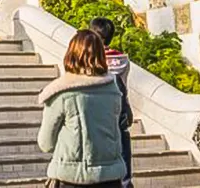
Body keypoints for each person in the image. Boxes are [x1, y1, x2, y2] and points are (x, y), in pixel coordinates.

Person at [37, 30, 127, 188]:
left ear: (71, 54)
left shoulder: (62, 92)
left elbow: (46, 143)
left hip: (71, 178)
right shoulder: (113, 89)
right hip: (110, 178)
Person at [90, 18, 134, 188]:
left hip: (101, 116)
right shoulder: (122, 60)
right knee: (124, 166)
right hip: (121, 112)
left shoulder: (95, 61)